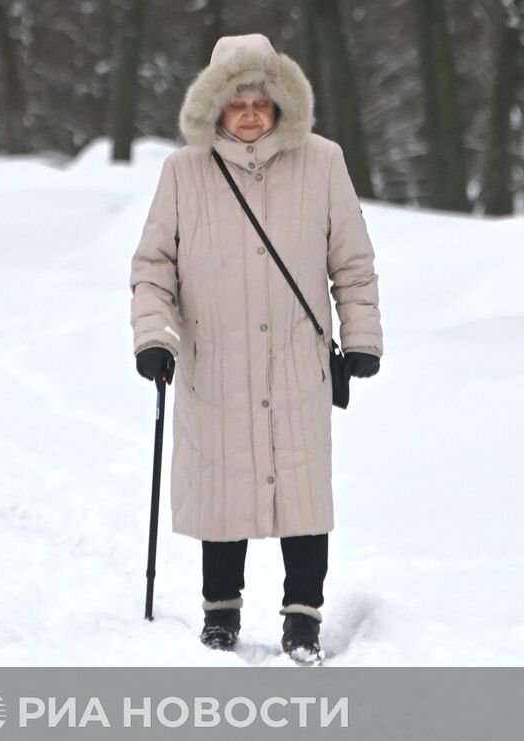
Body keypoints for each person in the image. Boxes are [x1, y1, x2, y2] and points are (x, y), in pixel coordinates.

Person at [128, 33, 383, 664]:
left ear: (280, 106)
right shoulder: (182, 172)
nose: (248, 115)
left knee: (300, 488)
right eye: (236, 103)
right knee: (225, 486)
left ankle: (303, 617)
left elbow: (352, 262)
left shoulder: (322, 162)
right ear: (214, 108)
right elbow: (154, 267)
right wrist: (154, 337)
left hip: (296, 361)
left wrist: (363, 338)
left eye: (260, 102)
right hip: (215, 361)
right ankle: (221, 614)